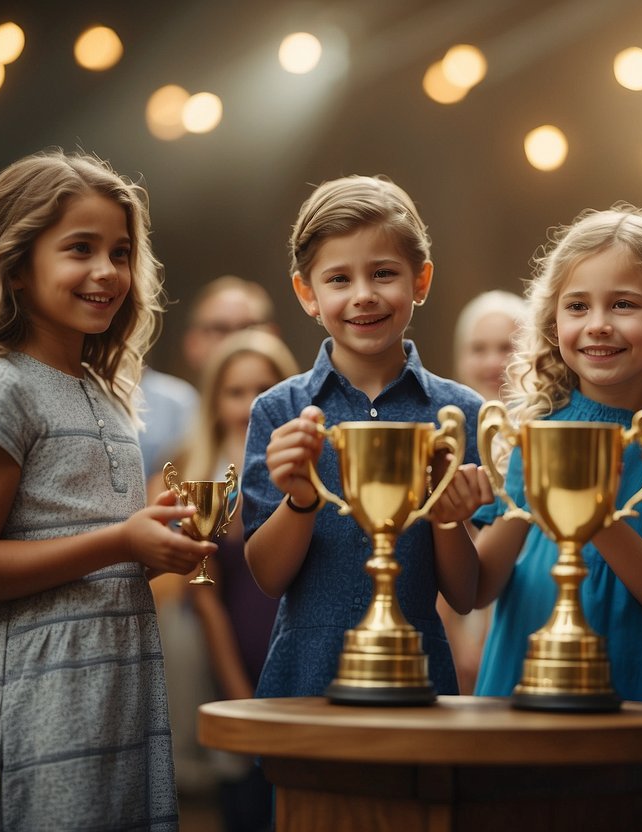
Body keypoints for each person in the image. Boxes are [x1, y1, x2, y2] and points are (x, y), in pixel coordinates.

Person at [0, 149, 216, 829]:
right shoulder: (8, 388)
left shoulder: (108, 394)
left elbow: (80, 543)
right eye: (79, 249)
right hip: (41, 700)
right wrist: (119, 537)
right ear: (18, 267)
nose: (106, 272)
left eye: (119, 252)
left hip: (114, 684)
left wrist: (155, 544)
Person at [470, 205, 642, 832]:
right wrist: (443, 517)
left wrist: (594, 515)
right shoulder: (530, 437)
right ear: (552, 320)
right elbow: (481, 586)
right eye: (578, 306)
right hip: (521, 692)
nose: (598, 325)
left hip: (635, 700)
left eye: (624, 305)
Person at [242, 174, 484, 710]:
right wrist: (300, 497)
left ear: (421, 281)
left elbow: (465, 596)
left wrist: (446, 515)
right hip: (305, 678)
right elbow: (267, 575)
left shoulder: (461, 414)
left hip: (419, 680)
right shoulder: (277, 411)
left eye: (383, 273)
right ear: (307, 292)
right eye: (338, 279)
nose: (364, 295)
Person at [166, 329, 299, 832]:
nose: (249, 404)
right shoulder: (199, 476)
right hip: (230, 669)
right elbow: (206, 603)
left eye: (263, 389)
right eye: (235, 391)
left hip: (294, 662)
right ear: (214, 399)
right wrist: (242, 694)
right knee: (245, 807)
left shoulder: (306, 469)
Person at [440, 288, 526, 694]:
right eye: (479, 349)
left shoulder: (543, 435)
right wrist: (456, 641)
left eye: (506, 347)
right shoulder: (445, 438)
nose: (493, 362)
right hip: (460, 613)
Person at [139, 275, 278, 479]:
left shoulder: (300, 410)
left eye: (248, 327)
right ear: (192, 343)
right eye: (220, 329)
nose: (236, 340)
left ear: (273, 335)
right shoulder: (167, 411)